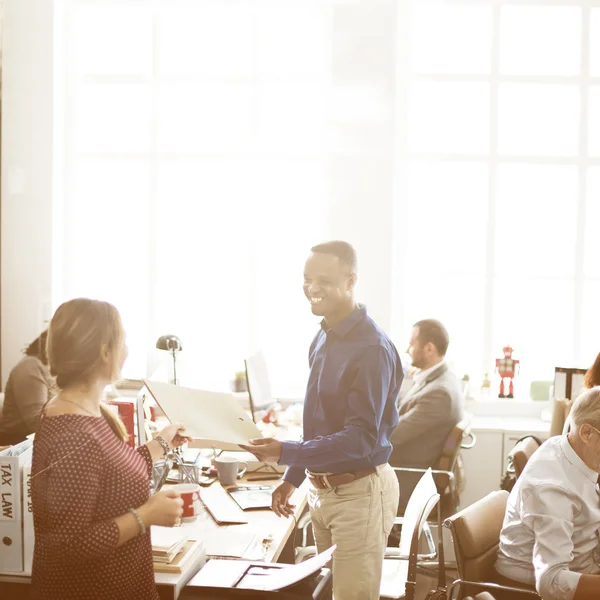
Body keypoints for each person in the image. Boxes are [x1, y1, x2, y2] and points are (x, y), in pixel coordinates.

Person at [241, 241, 402, 600]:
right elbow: (318, 425)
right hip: (323, 490)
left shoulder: (372, 349)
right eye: (307, 278)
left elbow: (360, 438)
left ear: (350, 281)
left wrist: (285, 451)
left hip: (358, 493)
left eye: (324, 280)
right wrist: (292, 477)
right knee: (332, 592)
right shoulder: (322, 336)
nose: (312, 288)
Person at [31, 298, 192, 600]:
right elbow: (68, 544)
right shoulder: (74, 434)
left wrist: (162, 443)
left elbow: (112, 473)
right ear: (104, 351)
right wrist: (146, 514)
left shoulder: (87, 411)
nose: (127, 351)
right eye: (123, 341)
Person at [495, 386, 600, 600]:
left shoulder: (566, 447)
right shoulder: (552, 490)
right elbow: (551, 582)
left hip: (583, 564)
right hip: (527, 591)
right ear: (587, 432)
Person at [389, 319, 464, 511]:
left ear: (429, 349)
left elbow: (392, 435)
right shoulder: (439, 379)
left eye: (412, 343)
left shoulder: (439, 394)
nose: (407, 349)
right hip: (406, 467)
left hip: (409, 478)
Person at [0, 330, 53, 445]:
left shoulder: (47, 369)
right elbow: (36, 422)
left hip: (34, 440)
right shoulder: (30, 367)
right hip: (18, 444)